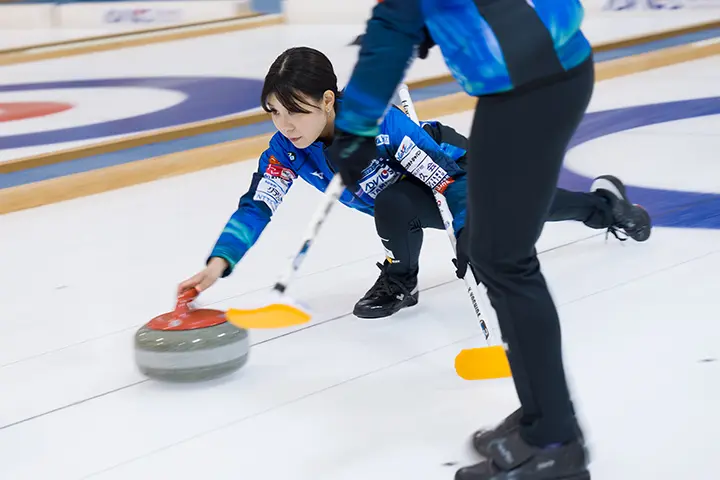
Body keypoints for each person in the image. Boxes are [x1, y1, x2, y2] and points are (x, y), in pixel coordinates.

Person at [323, 1, 611, 479]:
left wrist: (354, 128)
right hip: (529, 78)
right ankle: (542, 418)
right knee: (497, 256)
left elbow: (394, 25)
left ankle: (555, 442)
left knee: (505, 259)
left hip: (534, 82)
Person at [179, 47, 650, 328]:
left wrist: (469, 237)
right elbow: (256, 208)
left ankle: (602, 206)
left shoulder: (382, 127)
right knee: (395, 202)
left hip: (453, 169)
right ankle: (401, 279)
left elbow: (447, 181)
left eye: (295, 111)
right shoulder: (287, 151)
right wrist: (219, 263)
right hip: (402, 198)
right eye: (273, 113)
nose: (285, 125)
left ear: (327, 100)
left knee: (523, 206)